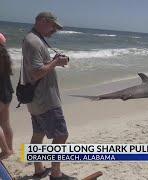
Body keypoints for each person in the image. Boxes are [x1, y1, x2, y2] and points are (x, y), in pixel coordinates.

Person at [22, 12, 76, 179]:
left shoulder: (34, 39)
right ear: (42, 21)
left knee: (38, 134)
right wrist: (56, 62)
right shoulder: (34, 41)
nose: (54, 31)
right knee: (61, 135)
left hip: (36, 100)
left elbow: (36, 69)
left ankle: (39, 170)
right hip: (46, 100)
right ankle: (56, 174)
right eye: (53, 26)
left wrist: (52, 61)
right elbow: (37, 73)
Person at [0, 33, 14, 160]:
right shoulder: (5, 56)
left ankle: (5, 151)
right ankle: (9, 148)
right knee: (5, 123)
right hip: (7, 93)